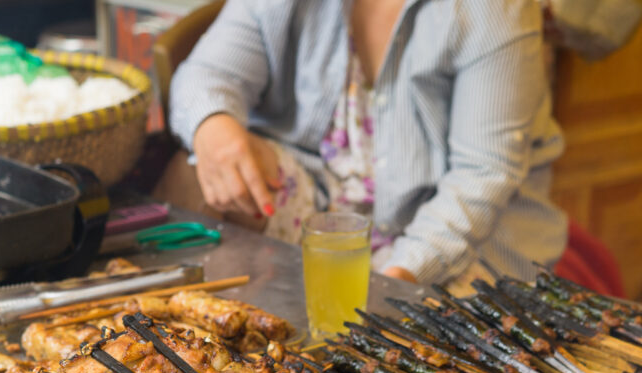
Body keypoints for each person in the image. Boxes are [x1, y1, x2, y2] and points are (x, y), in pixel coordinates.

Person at [163, 0, 570, 288]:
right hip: (322, 205)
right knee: (193, 171)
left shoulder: (496, 8)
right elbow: (207, 75)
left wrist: (395, 280)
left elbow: (483, 174)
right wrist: (213, 125)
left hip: (450, 234)